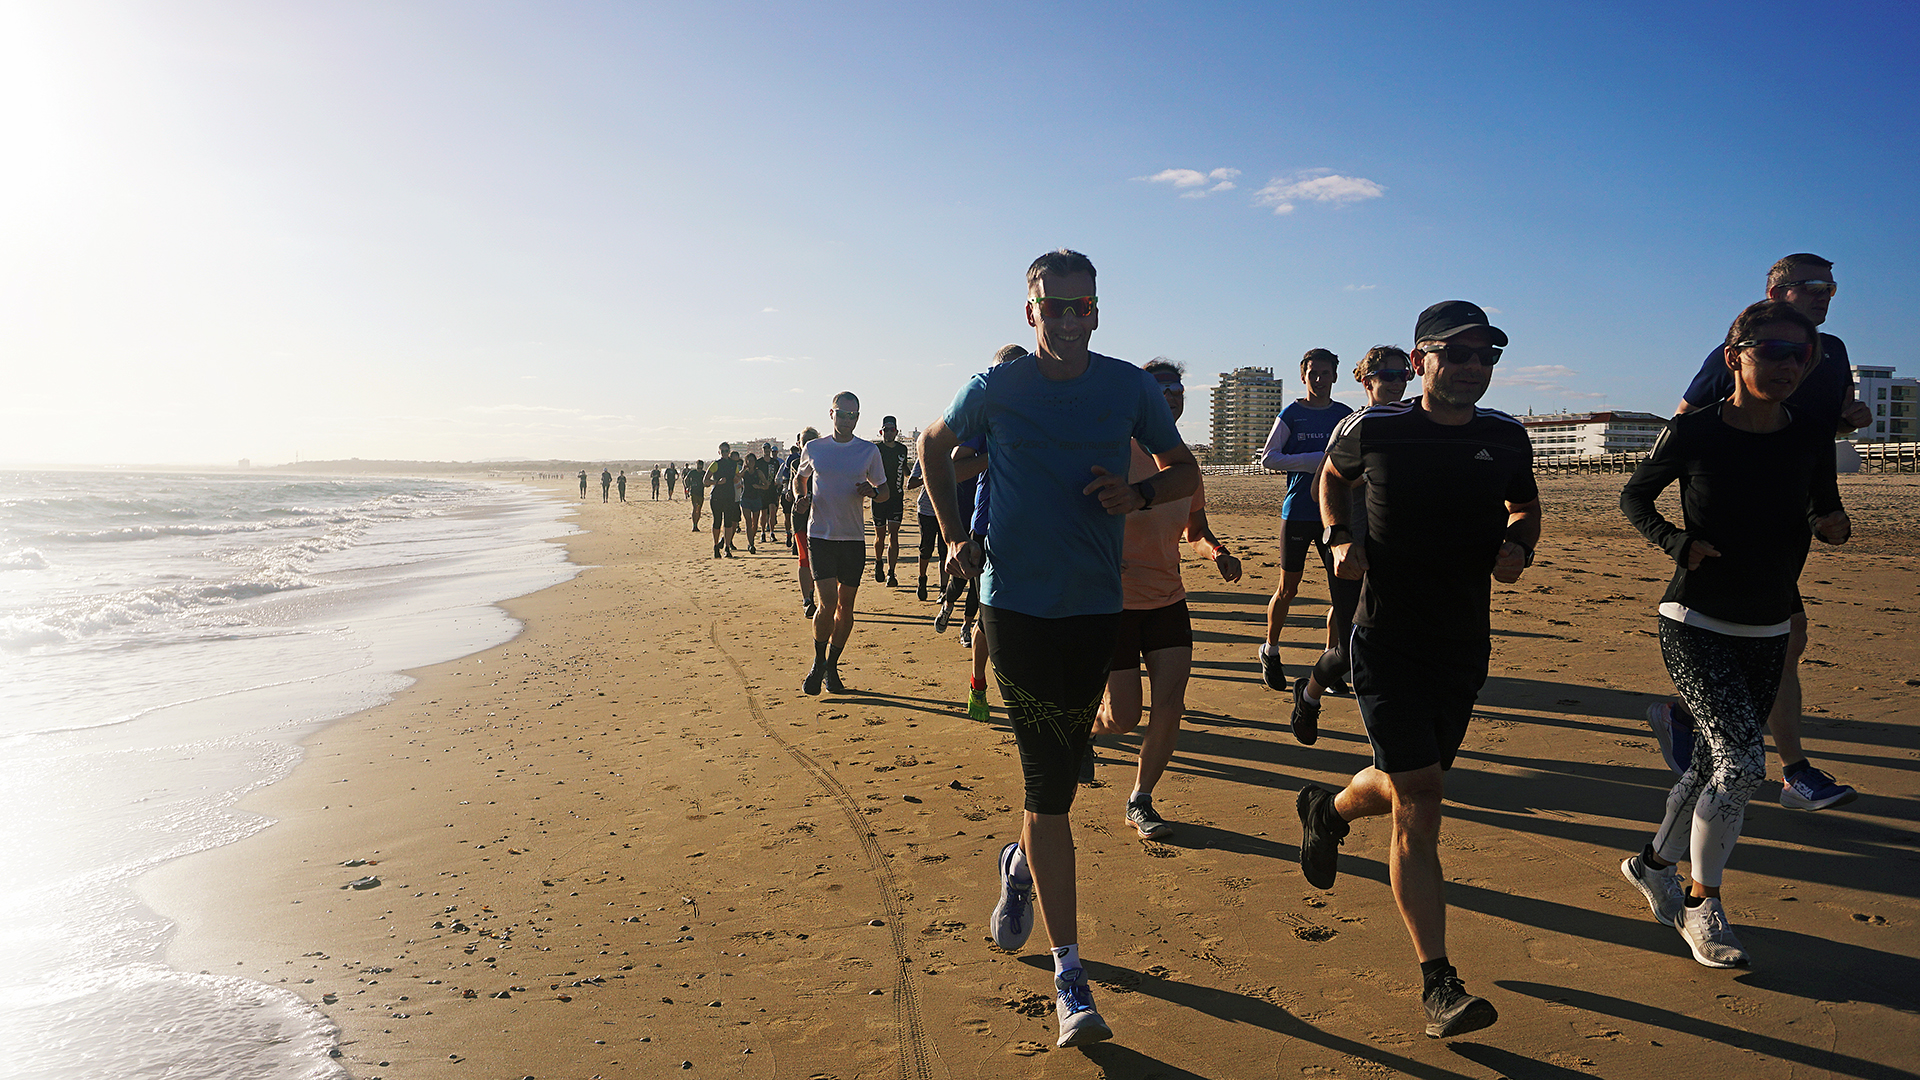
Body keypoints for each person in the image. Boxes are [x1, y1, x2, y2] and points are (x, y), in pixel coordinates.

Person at [919, 250, 1197, 1049]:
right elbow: (934, 448)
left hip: (1095, 609)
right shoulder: (996, 388)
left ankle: (1017, 868)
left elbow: (1184, 470)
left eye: (1083, 306)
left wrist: (1138, 492)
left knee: (1066, 774)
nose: (1070, 319)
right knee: (1049, 783)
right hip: (1016, 610)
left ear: (1098, 312)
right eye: (1055, 306)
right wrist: (953, 539)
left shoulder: (1128, 388)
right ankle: (1070, 977)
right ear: (1030, 312)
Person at [1299, 300, 1540, 1039]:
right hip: (1385, 638)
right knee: (1423, 799)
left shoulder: (1505, 437)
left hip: (1464, 640)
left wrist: (1519, 549)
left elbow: (1524, 507)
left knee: (1406, 782)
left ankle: (1326, 811)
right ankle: (1439, 982)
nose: (1474, 367)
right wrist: (1339, 536)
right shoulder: (1375, 426)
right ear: (1421, 359)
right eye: (1458, 354)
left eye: (1486, 356)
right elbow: (1330, 482)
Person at [1619, 300, 1849, 968]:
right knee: (1745, 763)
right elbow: (1636, 496)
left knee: (1707, 764)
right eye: (1772, 351)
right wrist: (1676, 542)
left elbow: (1821, 503)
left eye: (1799, 354)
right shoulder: (1694, 434)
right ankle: (1702, 903)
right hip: (1694, 620)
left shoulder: (1809, 433)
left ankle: (1649, 865)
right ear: (1735, 358)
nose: (1787, 364)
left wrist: (1834, 525)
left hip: (1770, 620)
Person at [1652, 254, 1870, 811]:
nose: (1824, 296)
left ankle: (1683, 712)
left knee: (1777, 639)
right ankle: (1795, 772)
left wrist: (1852, 420)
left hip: (1794, 517)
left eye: (1831, 287)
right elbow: (1685, 418)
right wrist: (1681, 512)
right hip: (1737, 518)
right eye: (1812, 286)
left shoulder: (1834, 350)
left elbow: (1824, 423)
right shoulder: (1743, 344)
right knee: (1786, 637)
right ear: (1776, 290)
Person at [1091, 358, 1243, 840]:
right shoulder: (1114, 450)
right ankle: (1087, 730)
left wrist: (1215, 551)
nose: (1171, 393)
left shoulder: (1184, 467)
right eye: (1159, 388)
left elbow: (1194, 530)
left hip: (1168, 600)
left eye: (1177, 386)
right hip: (1114, 603)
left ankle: (1141, 797)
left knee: (1171, 704)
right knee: (1123, 716)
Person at [1290, 346, 1412, 743]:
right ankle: (1308, 696)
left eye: (1403, 374)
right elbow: (1318, 486)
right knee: (1349, 652)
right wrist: (1364, 477)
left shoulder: (1417, 424)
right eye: (1387, 375)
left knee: (1399, 648)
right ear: (1366, 380)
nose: (1397, 383)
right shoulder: (1352, 426)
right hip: (1352, 553)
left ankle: (1395, 741)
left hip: (1399, 556)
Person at [1257, 350, 1354, 693]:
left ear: (1334, 376)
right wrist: (1316, 460)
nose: (1319, 379)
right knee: (1289, 588)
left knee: (1342, 592)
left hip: (1337, 515)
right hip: (1298, 511)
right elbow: (1269, 458)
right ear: (1303, 377)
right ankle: (1270, 649)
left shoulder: (1345, 416)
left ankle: (1331, 663)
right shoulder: (1292, 414)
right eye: (1313, 373)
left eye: (1325, 373)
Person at [796, 393, 889, 694]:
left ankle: (831, 667)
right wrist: (801, 495)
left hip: (852, 538)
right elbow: (801, 477)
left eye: (853, 415)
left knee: (846, 607)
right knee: (827, 603)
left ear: (858, 418)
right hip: (821, 535)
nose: (848, 420)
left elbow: (885, 491)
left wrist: (872, 493)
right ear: (831, 414)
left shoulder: (868, 451)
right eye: (843, 414)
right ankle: (817, 661)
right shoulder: (814, 448)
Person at [784, 429, 822, 619]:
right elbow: (793, 481)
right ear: (799, 444)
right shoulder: (793, 462)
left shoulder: (823, 459)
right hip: (800, 514)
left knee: (822, 559)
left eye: (811, 440)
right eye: (804, 441)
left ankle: (821, 597)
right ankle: (807, 599)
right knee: (804, 558)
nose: (807, 444)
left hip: (822, 513)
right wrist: (793, 494)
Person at [870, 416, 911, 587]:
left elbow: (905, 469)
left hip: (896, 497)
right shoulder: (875, 449)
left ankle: (891, 572)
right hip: (879, 497)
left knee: (893, 535)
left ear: (896, 431)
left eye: (891, 430)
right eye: (885, 430)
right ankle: (879, 561)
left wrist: (917, 475)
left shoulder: (902, 449)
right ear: (881, 431)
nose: (888, 433)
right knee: (880, 535)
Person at [904, 459, 946, 603]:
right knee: (926, 548)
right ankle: (922, 579)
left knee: (944, 551)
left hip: (947, 510)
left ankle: (943, 589)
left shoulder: (956, 454)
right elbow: (911, 484)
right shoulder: (924, 457)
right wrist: (926, 478)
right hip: (927, 510)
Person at [707, 445, 741, 557]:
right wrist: (717, 482)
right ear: (719, 452)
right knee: (717, 521)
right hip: (717, 496)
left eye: (727, 451)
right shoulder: (716, 464)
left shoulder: (733, 464)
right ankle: (716, 546)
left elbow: (737, 477)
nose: (725, 453)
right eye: (723, 451)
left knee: (728, 523)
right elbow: (705, 480)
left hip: (729, 496)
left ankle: (727, 548)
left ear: (729, 452)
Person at [741, 453, 766, 554]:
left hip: (756, 498)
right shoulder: (744, 472)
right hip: (745, 498)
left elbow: (766, 485)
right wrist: (743, 469)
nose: (751, 462)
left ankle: (752, 539)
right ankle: (751, 544)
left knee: (754, 522)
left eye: (752, 460)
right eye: (749, 460)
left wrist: (759, 486)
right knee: (748, 522)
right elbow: (737, 477)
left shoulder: (758, 472)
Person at [685, 461, 706, 531]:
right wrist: (687, 487)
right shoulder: (692, 472)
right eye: (698, 464)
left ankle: (696, 524)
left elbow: (707, 481)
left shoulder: (704, 473)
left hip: (701, 493)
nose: (700, 466)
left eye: (701, 465)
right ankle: (694, 525)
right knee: (695, 508)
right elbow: (686, 479)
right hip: (694, 492)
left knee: (699, 509)